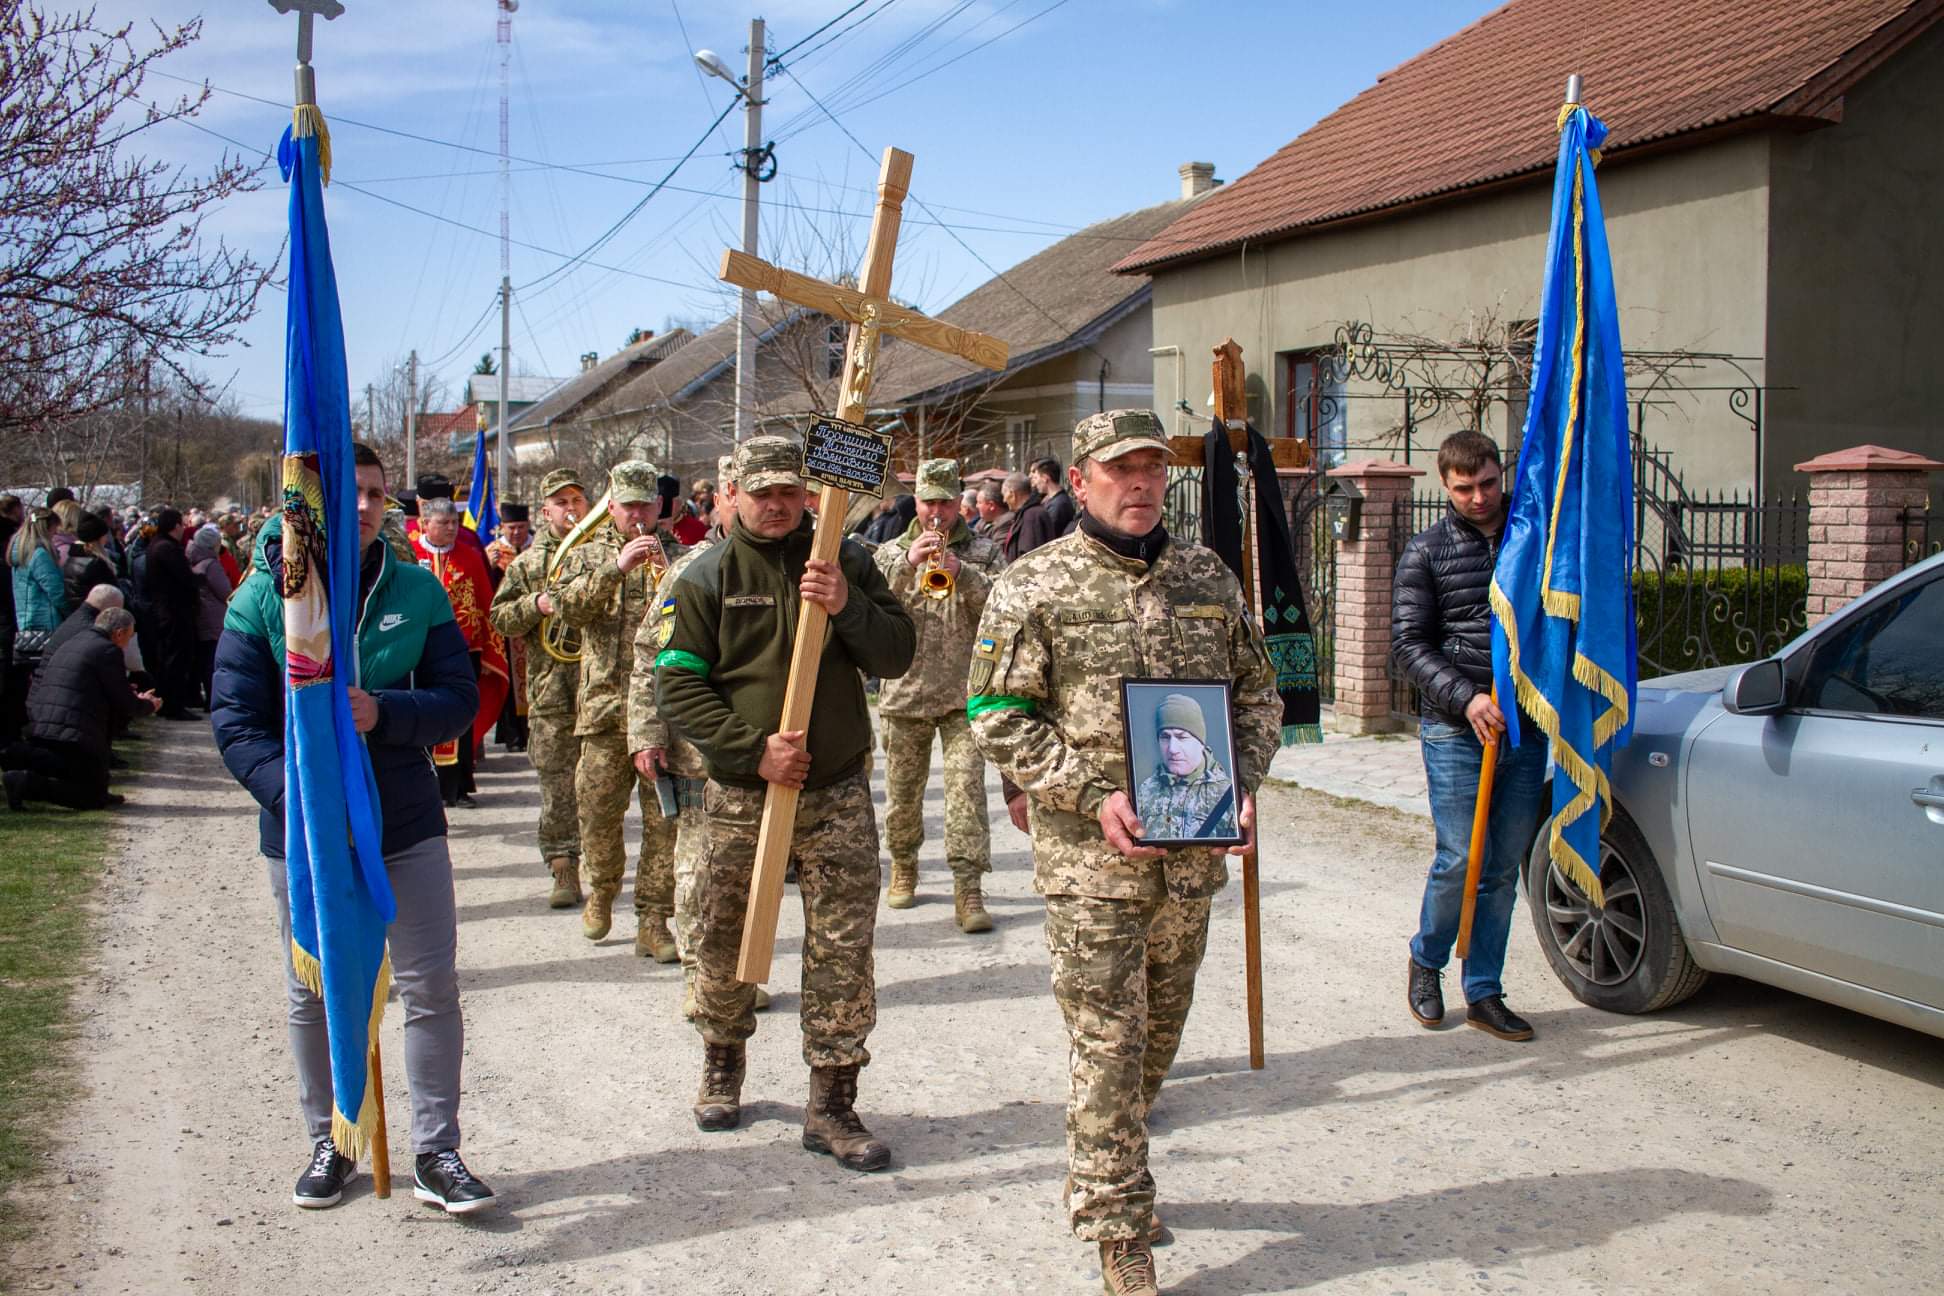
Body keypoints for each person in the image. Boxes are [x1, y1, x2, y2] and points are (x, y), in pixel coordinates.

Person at [968, 409, 1280, 1296]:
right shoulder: (1034, 585)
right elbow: (994, 712)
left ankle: (1110, 1156)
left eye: (1153, 468)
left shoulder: (1206, 577)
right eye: (1120, 470)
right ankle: (1117, 1219)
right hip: (1089, 860)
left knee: (1160, 1032)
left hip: (1190, 855)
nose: (1140, 484)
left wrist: (1242, 779)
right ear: (1080, 481)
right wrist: (1086, 792)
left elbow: (1256, 696)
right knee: (1109, 1035)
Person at [210, 440, 493, 1214]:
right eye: (349, 493)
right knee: (316, 990)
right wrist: (301, 804)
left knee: (430, 987)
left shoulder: (417, 589)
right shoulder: (265, 596)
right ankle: (331, 1142)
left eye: (376, 493)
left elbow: (458, 697)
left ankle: (439, 1153)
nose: (365, 506)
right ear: (312, 502)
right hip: (302, 835)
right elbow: (235, 723)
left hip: (403, 822)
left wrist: (386, 713)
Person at [655, 434, 915, 1162]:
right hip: (742, 795)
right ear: (732, 494)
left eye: (788, 493)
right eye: (761, 492)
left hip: (834, 793)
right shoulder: (704, 574)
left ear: (808, 495)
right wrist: (750, 749)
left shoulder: (847, 558)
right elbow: (676, 683)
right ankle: (722, 1062)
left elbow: (897, 652)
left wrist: (846, 605)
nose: (776, 506)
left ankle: (833, 1102)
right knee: (724, 935)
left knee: (842, 948)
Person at [1393, 429, 1548, 1044]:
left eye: (1487, 483)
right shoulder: (1425, 552)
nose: (1479, 498)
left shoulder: (1534, 541)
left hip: (1526, 726)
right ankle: (1426, 961)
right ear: (1445, 485)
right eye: (1464, 489)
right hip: (1456, 729)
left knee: (1503, 870)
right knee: (1460, 858)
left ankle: (1483, 989)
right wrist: (1467, 696)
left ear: (1500, 473)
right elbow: (1408, 644)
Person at [627, 454, 772, 1015]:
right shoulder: (689, 568)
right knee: (698, 864)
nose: (745, 503)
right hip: (698, 749)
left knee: (752, 872)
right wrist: (646, 732)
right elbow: (651, 655)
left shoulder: (786, 566)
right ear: (723, 498)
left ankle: (739, 971)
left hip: (764, 751)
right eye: (736, 492)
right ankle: (699, 975)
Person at [550, 461, 683, 955]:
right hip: (605, 713)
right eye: (627, 506)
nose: (637, 515)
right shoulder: (586, 557)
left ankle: (654, 920)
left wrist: (672, 578)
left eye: (645, 505)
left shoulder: (682, 557)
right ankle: (602, 891)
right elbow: (565, 609)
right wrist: (616, 568)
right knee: (598, 812)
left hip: (663, 714)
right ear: (611, 508)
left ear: (659, 506)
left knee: (664, 823)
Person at [871, 458, 1005, 928]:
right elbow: (866, 603)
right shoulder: (890, 551)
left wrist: (962, 573)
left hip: (965, 695)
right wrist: (910, 563)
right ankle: (904, 867)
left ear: (958, 503)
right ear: (916, 501)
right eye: (929, 501)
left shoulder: (986, 551)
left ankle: (968, 888)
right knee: (903, 795)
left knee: (966, 793)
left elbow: (1005, 610)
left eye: (946, 502)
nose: (937, 512)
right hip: (905, 692)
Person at [488, 469, 590, 909]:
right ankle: (564, 865)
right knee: (557, 784)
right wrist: (537, 604)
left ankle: (604, 868)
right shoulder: (528, 564)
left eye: (577, 501)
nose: (570, 509)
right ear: (544, 511)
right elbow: (500, 616)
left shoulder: (604, 555)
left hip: (601, 689)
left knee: (602, 787)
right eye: (561, 502)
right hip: (551, 691)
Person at [2, 607, 157, 811]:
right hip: (72, 733)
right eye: (129, 636)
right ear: (119, 633)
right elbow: (125, 702)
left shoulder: (76, 640)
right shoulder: (108, 650)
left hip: (47, 722)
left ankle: (18, 755)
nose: (128, 642)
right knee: (90, 797)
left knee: (81, 776)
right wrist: (147, 704)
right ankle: (26, 783)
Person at [412, 498, 509, 809]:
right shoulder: (412, 557)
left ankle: (458, 788)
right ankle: (426, 788)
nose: (452, 528)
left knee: (460, 719)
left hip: (463, 652)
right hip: (419, 652)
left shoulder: (468, 556)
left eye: (454, 523)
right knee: (423, 718)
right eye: (444, 523)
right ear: (426, 524)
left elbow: (485, 604)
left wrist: (488, 651)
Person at [1133, 694, 1238, 840]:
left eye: (1182, 737)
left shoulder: (1228, 793)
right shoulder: (1146, 789)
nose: (1172, 749)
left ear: (1200, 741)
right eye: (1165, 737)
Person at [141, 508, 201, 719]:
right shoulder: (167, 548)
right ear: (175, 526)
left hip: (166, 609)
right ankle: (173, 705)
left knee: (171, 657)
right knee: (176, 659)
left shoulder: (157, 545)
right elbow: (185, 578)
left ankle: (171, 702)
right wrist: (198, 578)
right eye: (182, 524)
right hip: (173, 611)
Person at [485, 503, 532, 753]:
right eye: (512, 528)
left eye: (522, 527)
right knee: (511, 683)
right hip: (505, 629)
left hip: (534, 624)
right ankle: (513, 735)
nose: (517, 533)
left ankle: (532, 734)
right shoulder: (493, 551)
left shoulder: (536, 547)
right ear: (502, 527)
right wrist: (489, 566)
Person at [187, 524, 233, 708]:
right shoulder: (211, 565)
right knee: (212, 661)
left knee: (205, 659)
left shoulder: (194, 561)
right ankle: (214, 699)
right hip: (214, 618)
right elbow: (225, 592)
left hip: (202, 616)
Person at [9, 508, 68, 638]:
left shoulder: (20, 551)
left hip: (26, 618)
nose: (55, 534)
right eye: (54, 529)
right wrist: (70, 612)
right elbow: (55, 590)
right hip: (46, 621)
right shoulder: (39, 555)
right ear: (46, 528)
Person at [61, 513, 117, 610]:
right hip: (97, 616)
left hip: (79, 615)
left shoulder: (71, 559)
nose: (106, 539)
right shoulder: (95, 564)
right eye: (104, 536)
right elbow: (108, 596)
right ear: (97, 538)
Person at [1001, 469, 1055, 561]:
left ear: (1012, 494)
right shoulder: (1027, 514)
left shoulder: (1032, 516)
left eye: (1004, 495)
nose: (1004, 500)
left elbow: (1031, 557)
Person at [1032, 456, 1076, 537]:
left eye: (1036, 477)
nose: (1035, 483)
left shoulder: (1058, 505)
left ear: (1045, 478)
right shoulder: (1055, 500)